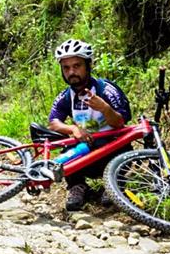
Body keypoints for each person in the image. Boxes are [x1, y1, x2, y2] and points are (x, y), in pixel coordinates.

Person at [47, 39, 132, 212]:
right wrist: (72, 129)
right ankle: (77, 187)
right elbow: (53, 122)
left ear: (88, 65)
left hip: (111, 151)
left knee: (123, 149)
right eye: (66, 68)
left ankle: (114, 184)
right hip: (85, 152)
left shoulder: (106, 90)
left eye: (77, 66)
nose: (72, 72)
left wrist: (105, 108)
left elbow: (121, 122)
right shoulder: (65, 96)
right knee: (66, 149)